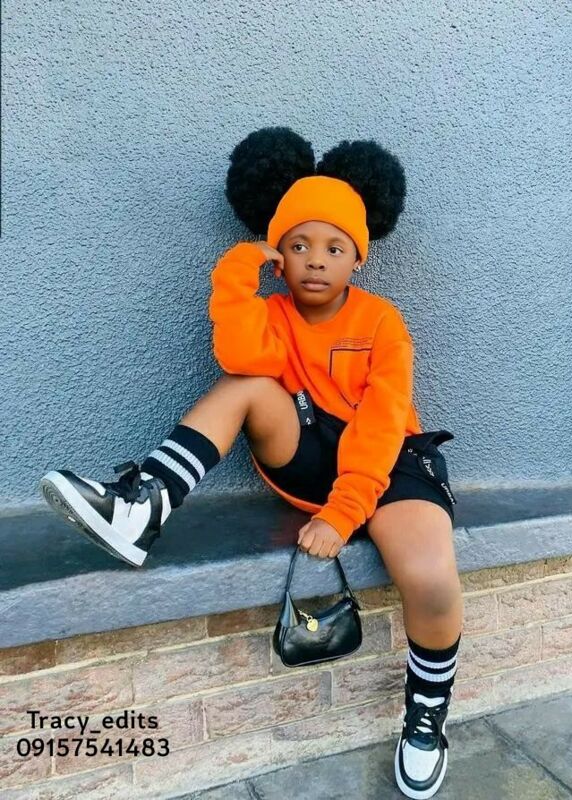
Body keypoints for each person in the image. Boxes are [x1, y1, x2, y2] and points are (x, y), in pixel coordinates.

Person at [39, 126, 463, 799]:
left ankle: (426, 717)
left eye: (333, 247)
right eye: (297, 245)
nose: (315, 261)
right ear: (279, 254)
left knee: (432, 579)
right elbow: (242, 359)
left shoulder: (382, 321)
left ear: (358, 257)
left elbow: (382, 422)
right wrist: (239, 271)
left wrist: (346, 510)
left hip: (387, 466)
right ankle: (143, 504)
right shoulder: (272, 312)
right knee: (247, 384)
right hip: (306, 452)